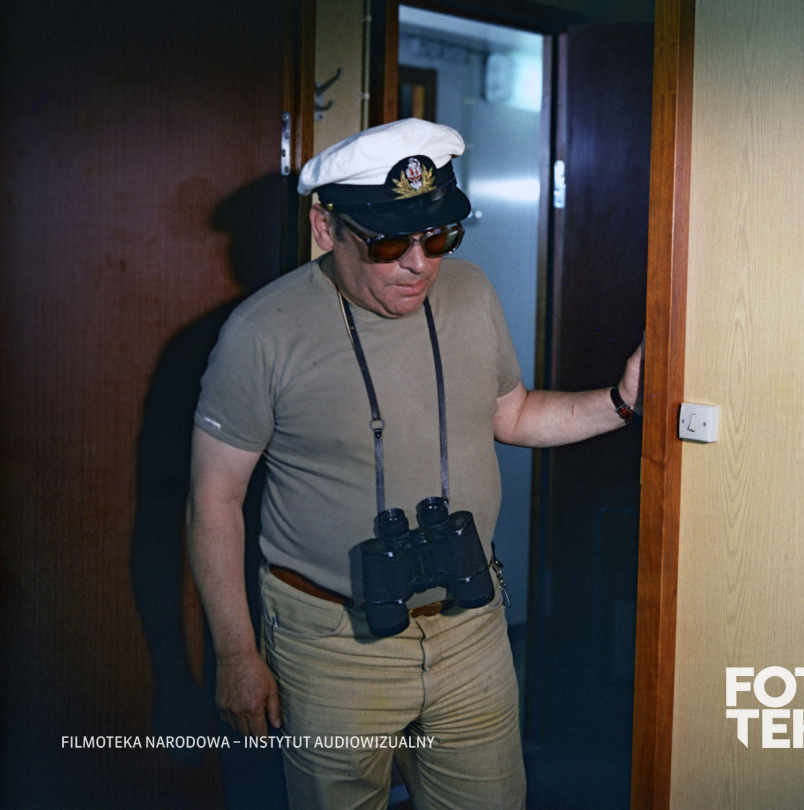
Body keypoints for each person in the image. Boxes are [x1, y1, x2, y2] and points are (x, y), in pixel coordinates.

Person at [186, 117, 642, 810]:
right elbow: (214, 500)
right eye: (389, 242)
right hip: (331, 642)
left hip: (468, 625)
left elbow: (513, 414)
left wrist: (622, 402)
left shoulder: (472, 292)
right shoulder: (260, 333)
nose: (419, 264)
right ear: (325, 228)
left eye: (439, 237)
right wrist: (235, 655)